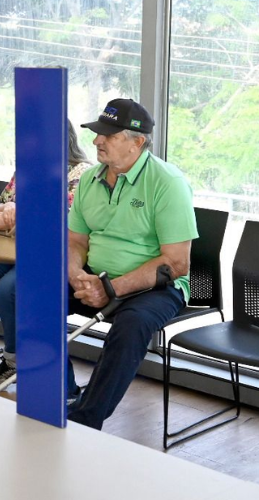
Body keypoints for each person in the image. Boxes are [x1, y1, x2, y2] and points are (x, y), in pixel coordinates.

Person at [64, 98, 197, 429]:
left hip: (156, 287)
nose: (97, 140)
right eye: (98, 133)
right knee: (29, 292)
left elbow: (176, 263)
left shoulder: (167, 183)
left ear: (136, 142)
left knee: (132, 324)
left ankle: (84, 420)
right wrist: (76, 274)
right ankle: (61, 392)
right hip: (95, 277)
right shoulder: (90, 179)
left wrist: (109, 288)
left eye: (109, 135)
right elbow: (75, 241)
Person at [0, 120, 93, 385]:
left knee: (9, 289)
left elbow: (65, 218)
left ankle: (14, 360)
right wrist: (6, 210)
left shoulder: (81, 173)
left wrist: (18, 213)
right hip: (10, 247)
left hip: (48, 254)